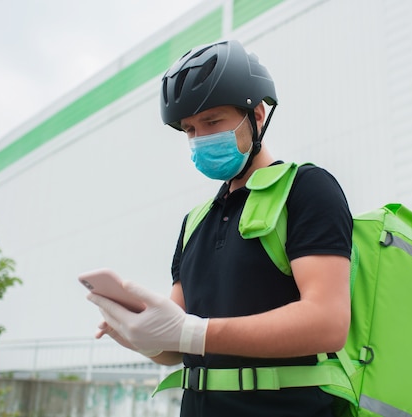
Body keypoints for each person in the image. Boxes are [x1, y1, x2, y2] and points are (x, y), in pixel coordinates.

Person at [87, 39, 353, 417]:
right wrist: (137, 335)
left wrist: (194, 333)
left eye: (213, 121)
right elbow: (176, 344)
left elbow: (327, 322)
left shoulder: (306, 188)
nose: (200, 138)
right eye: (190, 129)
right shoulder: (194, 221)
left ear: (257, 115)